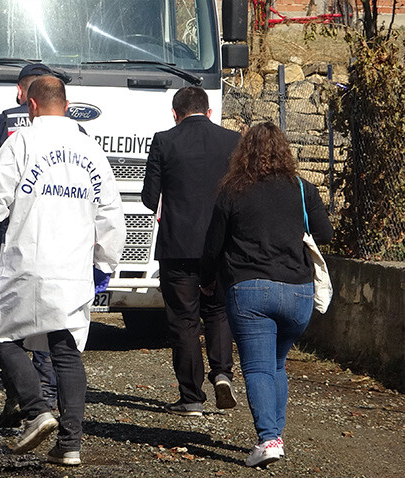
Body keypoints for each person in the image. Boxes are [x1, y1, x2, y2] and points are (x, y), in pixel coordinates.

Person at [0, 76, 125, 465]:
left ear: (31, 106)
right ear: (66, 105)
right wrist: (105, 263)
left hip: (27, 264)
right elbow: (111, 213)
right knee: (66, 350)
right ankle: (70, 446)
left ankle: (36, 411)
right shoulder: (90, 150)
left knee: (4, 338)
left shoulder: (22, 142)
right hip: (73, 266)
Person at [200, 122, 333, 467]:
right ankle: (276, 435)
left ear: (244, 153)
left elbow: (213, 244)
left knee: (258, 368)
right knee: (276, 364)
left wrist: (207, 279)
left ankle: (269, 439)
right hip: (298, 294)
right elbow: (325, 233)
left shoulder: (233, 190)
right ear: (285, 151)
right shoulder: (303, 189)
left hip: (251, 291)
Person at [141, 86, 239, 417]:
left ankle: (191, 397)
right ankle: (222, 372)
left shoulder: (164, 141)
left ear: (175, 114)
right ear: (209, 112)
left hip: (177, 245)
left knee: (183, 320)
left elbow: (148, 197)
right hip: (222, 245)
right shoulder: (232, 141)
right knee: (217, 311)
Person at [0, 62, 60, 427]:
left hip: (11, 237)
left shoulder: (0, 125)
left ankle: (19, 398)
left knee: (8, 323)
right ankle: (48, 399)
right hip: (55, 236)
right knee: (48, 321)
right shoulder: (69, 133)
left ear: (22, 94)